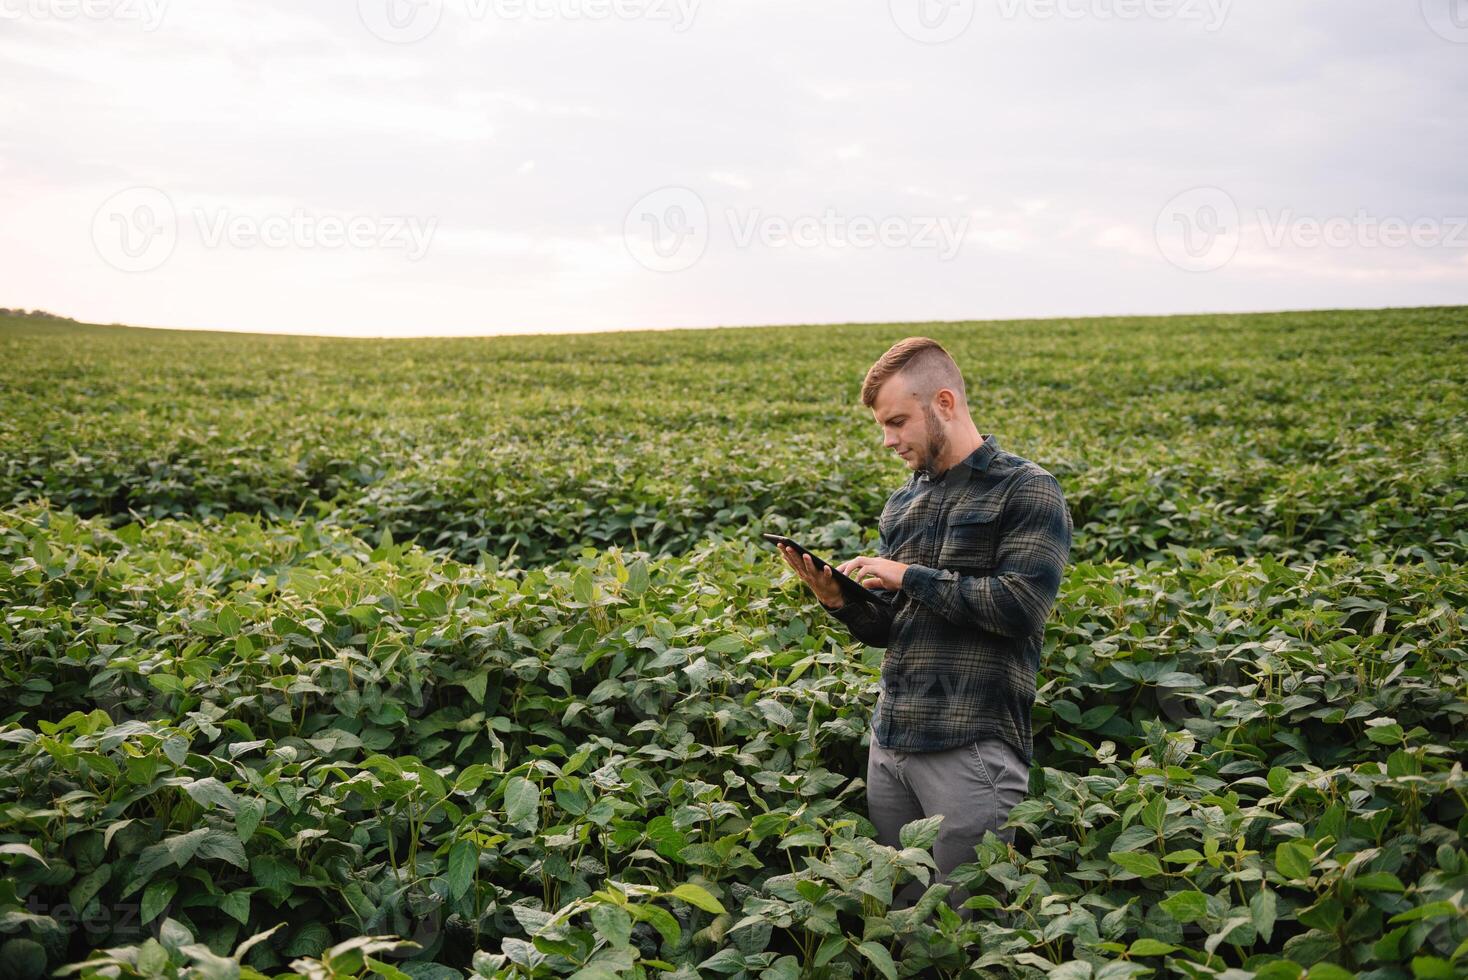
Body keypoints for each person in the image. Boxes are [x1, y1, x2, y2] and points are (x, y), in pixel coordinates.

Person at [777, 336, 1072, 914]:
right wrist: (840, 599)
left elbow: (1019, 608)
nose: (888, 440)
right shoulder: (902, 504)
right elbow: (893, 630)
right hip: (891, 742)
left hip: (971, 744)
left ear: (944, 402)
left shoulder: (1027, 488)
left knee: (965, 925)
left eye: (897, 422)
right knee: (901, 919)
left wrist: (909, 574)